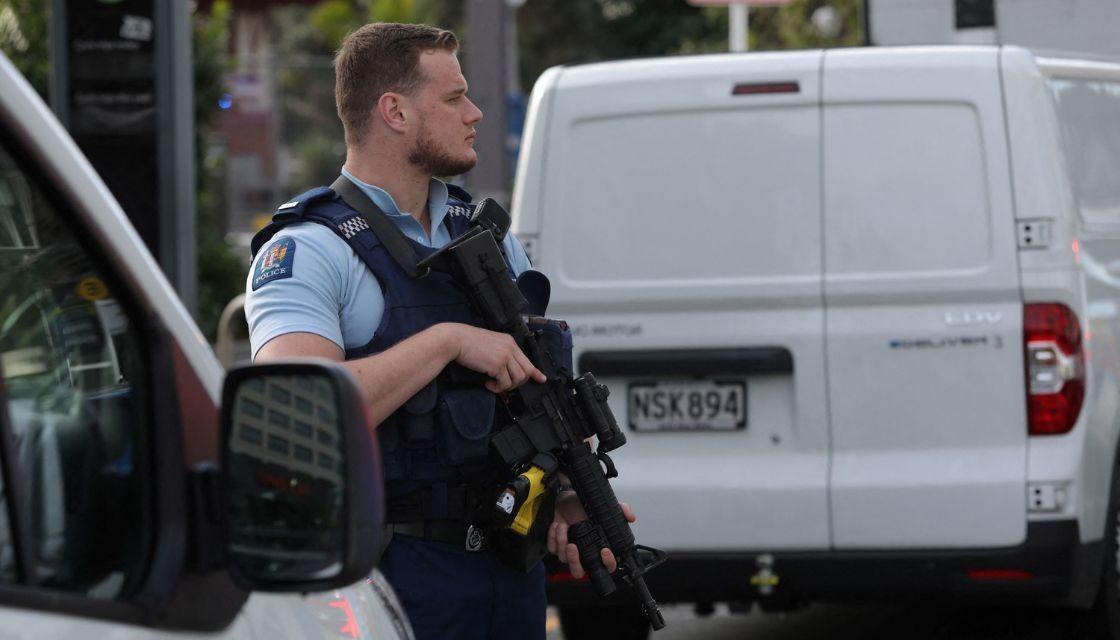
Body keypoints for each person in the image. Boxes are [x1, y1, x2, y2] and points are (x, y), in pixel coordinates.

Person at [244, 22, 635, 640]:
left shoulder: (485, 237)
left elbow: (541, 384)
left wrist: (569, 493)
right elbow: (298, 410)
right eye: (454, 98)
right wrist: (447, 341)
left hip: (508, 569)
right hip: (385, 576)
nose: (475, 113)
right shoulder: (311, 248)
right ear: (394, 111)